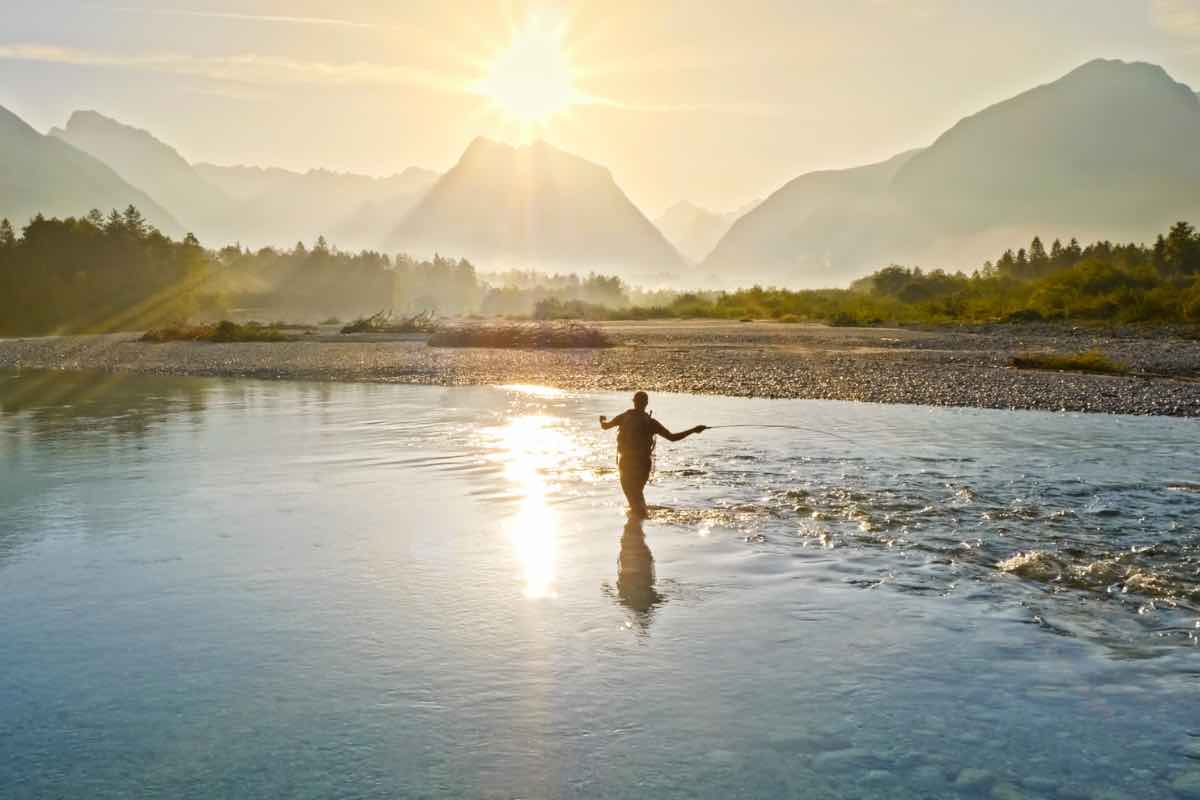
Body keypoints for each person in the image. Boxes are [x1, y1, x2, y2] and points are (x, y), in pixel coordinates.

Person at [599, 391, 706, 517]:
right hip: (643, 464)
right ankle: (639, 525)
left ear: (633, 401)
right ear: (646, 403)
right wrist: (693, 430)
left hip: (626, 462)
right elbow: (672, 437)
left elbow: (605, 426)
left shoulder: (623, 417)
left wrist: (602, 419)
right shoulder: (651, 422)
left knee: (633, 497)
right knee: (637, 495)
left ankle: (638, 525)